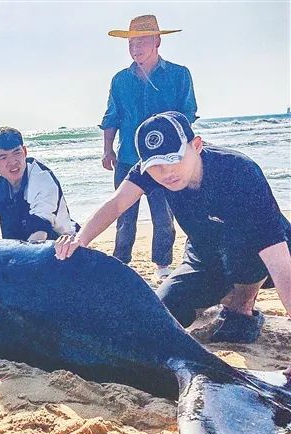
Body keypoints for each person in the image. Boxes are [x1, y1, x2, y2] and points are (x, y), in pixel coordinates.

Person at [55, 112, 291, 344]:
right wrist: (80, 239)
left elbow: (278, 260)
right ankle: (225, 297)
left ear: (196, 145)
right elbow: (117, 203)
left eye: (174, 159)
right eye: (155, 166)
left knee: (241, 247)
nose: (166, 173)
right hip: (205, 253)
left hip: (260, 250)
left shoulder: (240, 172)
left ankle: (242, 309)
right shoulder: (152, 171)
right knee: (163, 313)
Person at [101, 14, 198, 280]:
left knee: (163, 216)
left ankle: (163, 267)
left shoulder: (179, 74)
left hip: (165, 160)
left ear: (157, 41)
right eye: (131, 43)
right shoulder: (120, 80)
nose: (136, 48)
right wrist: (107, 149)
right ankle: (120, 264)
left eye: (142, 41)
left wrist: (185, 154)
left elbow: (187, 114)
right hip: (128, 158)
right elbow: (112, 116)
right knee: (123, 214)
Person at [0, 127, 77, 242]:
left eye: (16, 152)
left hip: (60, 242)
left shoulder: (42, 179)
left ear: (24, 151)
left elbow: (41, 228)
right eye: (3, 157)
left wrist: (23, 263)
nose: (12, 162)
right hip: (20, 244)